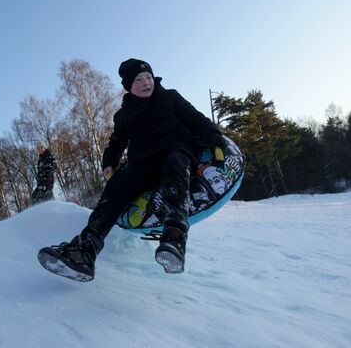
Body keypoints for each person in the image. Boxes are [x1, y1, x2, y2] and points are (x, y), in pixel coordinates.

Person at [38, 58, 226, 281]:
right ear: (128, 85)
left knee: (175, 165)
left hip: (176, 150)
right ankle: (85, 250)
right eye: (139, 79)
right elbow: (116, 142)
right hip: (143, 163)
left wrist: (214, 137)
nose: (146, 82)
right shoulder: (124, 115)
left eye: (148, 77)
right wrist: (109, 162)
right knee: (117, 186)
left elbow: (195, 118)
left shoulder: (170, 97)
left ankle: (174, 236)